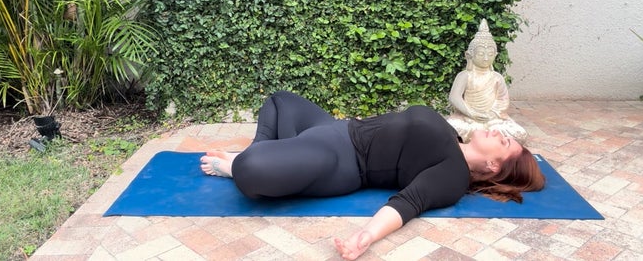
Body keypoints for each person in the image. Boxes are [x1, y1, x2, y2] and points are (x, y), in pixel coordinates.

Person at [200, 91, 545, 260]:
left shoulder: (452, 176)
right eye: (504, 135)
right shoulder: (452, 134)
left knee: (251, 171)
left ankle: (241, 163)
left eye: (506, 144)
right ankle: (261, 152)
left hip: (339, 160)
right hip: (332, 129)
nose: (501, 134)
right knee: (279, 101)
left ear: (493, 168)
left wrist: (364, 237)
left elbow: (407, 204)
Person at [447, 19, 528, 144]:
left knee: (519, 133)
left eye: (490, 54)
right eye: (480, 54)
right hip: (468, 119)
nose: (485, 58)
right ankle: (487, 138)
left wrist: (492, 114)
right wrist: (471, 113)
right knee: (450, 130)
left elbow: (502, 100)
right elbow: (454, 97)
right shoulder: (464, 75)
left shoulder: (497, 77)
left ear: (495, 55)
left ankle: (483, 135)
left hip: (492, 120)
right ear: (469, 55)